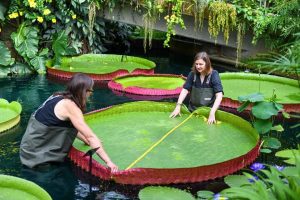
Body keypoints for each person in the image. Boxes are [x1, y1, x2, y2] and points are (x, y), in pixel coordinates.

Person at [20, 73, 118, 172]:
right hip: (37, 157)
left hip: (27, 149)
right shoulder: (71, 107)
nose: (91, 93)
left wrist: (85, 140)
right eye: (90, 90)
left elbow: (69, 126)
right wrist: (108, 162)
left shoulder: (57, 95)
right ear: (84, 92)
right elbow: (91, 137)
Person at [170, 52, 223, 124]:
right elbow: (185, 90)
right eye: (196, 64)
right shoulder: (192, 74)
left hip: (209, 111)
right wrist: (178, 105)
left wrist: (212, 112)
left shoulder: (214, 74)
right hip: (193, 110)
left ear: (207, 64)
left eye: (201, 64)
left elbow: (219, 95)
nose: (198, 66)